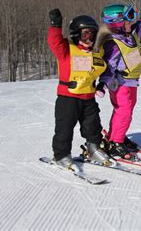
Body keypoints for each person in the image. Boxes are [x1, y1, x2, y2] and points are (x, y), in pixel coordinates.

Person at [96, 0, 141, 161]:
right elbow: (108, 69)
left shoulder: (131, 34)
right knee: (124, 111)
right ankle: (116, 143)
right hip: (119, 83)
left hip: (131, 82)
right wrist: (102, 85)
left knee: (126, 110)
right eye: (128, 21)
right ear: (117, 24)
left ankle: (117, 136)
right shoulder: (113, 44)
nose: (131, 23)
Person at [47, 9, 112, 169]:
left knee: (93, 125)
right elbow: (54, 42)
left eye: (92, 35)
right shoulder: (66, 50)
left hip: (88, 98)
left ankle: (93, 148)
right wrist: (56, 25)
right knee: (65, 128)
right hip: (68, 98)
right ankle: (61, 155)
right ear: (76, 34)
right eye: (85, 34)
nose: (89, 38)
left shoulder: (97, 52)